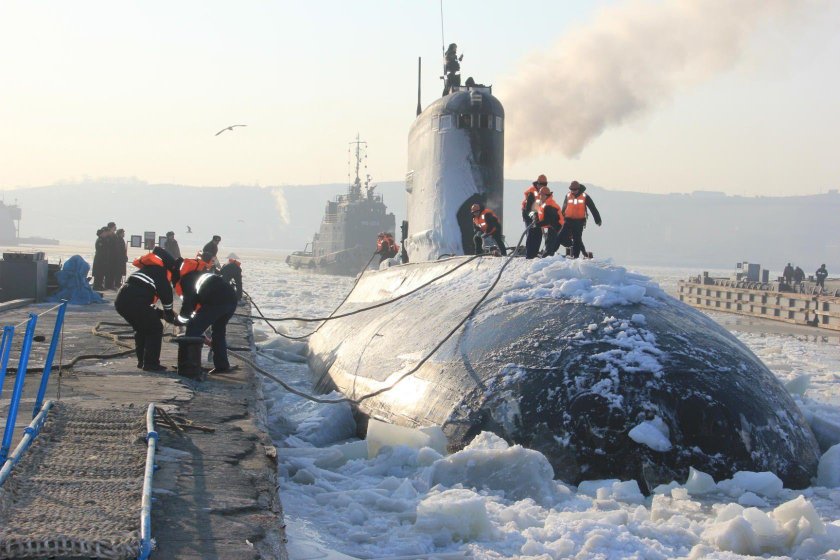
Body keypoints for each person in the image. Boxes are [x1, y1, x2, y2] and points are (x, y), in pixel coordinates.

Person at [114, 247, 179, 372]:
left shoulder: (148, 270)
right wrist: (169, 313)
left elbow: (144, 303)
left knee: (142, 328)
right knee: (155, 328)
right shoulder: (160, 271)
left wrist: (161, 314)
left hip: (122, 301)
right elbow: (166, 294)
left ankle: (142, 361)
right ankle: (151, 364)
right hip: (135, 301)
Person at [175, 257, 239, 375]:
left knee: (193, 329)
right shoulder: (202, 275)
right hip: (231, 300)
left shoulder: (186, 279)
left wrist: (180, 320)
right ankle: (222, 366)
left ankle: (189, 365)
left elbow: (189, 302)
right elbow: (195, 302)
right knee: (218, 332)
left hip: (216, 302)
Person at [561, 181, 602, 259]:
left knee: (577, 238)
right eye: (571, 189)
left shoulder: (585, 196)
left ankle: (576, 256)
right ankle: (579, 251)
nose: (573, 191)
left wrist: (598, 220)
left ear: (578, 189)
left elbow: (593, 208)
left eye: (575, 189)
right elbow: (564, 208)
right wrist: (561, 218)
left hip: (579, 221)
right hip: (568, 220)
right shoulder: (568, 195)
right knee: (563, 237)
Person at [535, 186, 564, 257]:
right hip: (553, 226)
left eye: (541, 195)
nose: (540, 197)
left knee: (550, 247)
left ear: (545, 195)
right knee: (550, 244)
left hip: (556, 227)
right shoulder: (546, 203)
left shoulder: (549, 205)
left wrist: (536, 224)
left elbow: (547, 221)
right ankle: (548, 257)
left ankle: (547, 260)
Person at [523, 176, 545, 259]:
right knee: (531, 233)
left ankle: (535, 254)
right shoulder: (532, 193)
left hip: (537, 215)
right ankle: (529, 255)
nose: (543, 185)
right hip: (528, 215)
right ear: (537, 184)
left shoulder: (544, 192)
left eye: (545, 184)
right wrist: (533, 216)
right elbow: (527, 209)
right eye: (541, 184)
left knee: (538, 234)